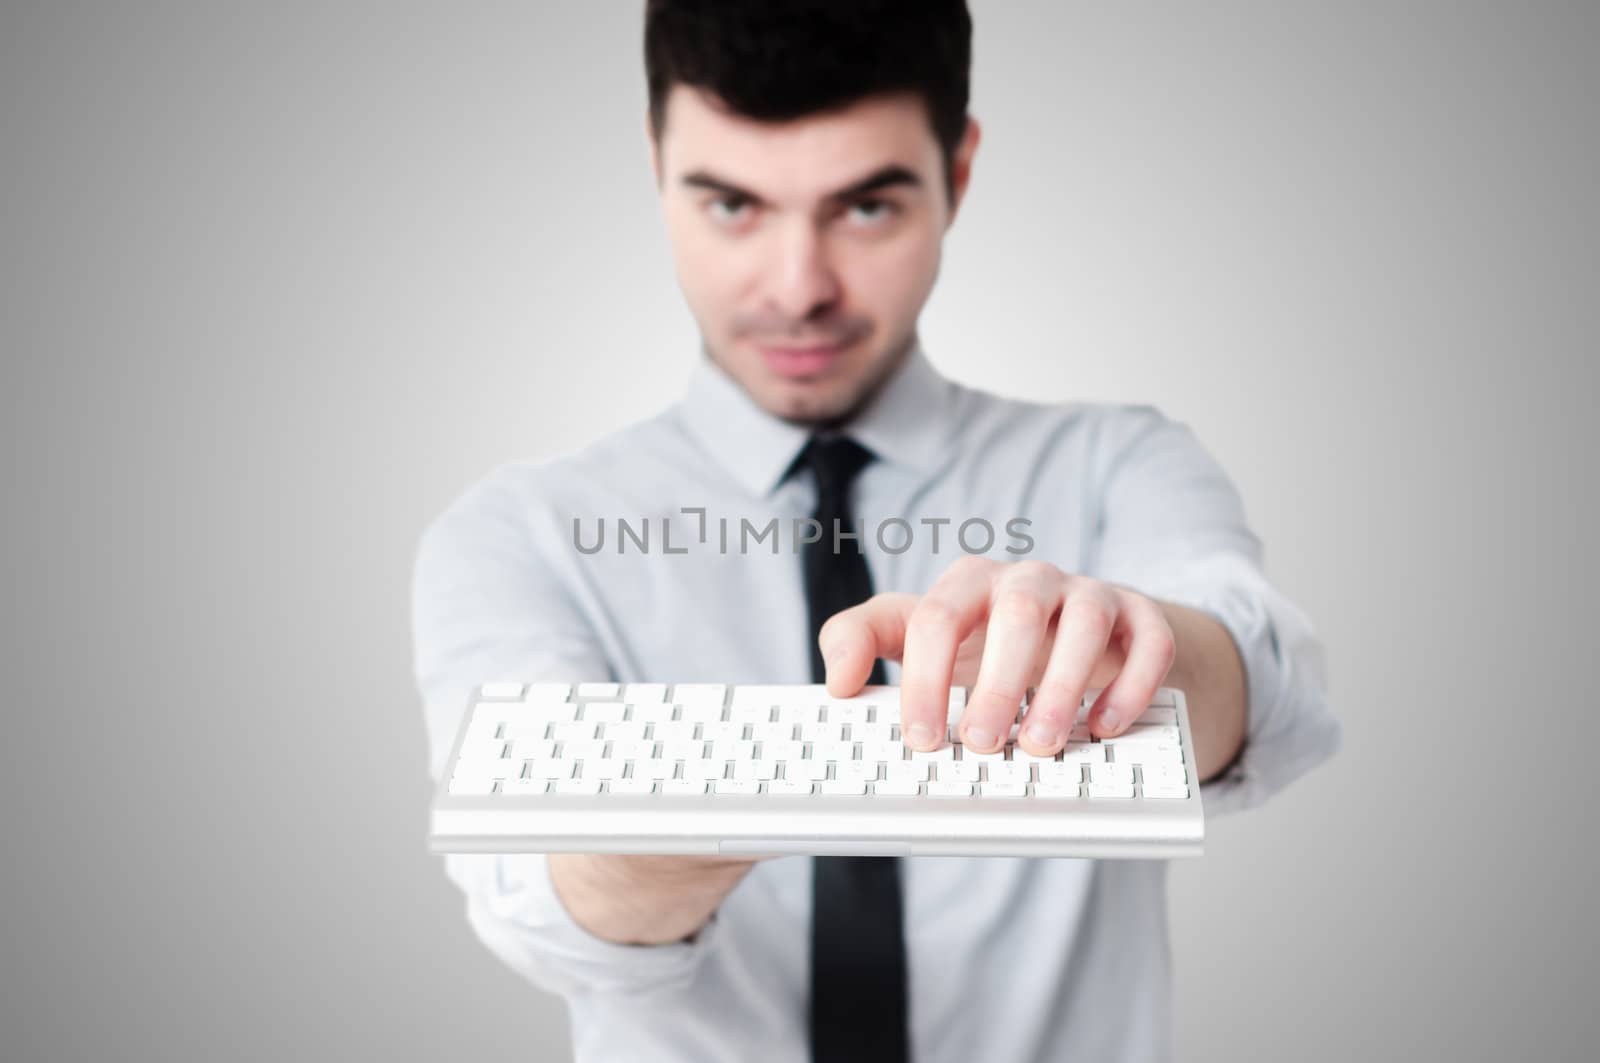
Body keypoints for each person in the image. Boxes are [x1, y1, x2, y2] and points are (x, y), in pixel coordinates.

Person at [410, 3, 1341, 1061]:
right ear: (655, 161)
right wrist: (740, 795)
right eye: (730, 203)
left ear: (960, 168)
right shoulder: (516, 537)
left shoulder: (1116, 466)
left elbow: (1266, 688)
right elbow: (541, 896)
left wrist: (1139, 657)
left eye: (865, 207)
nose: (798, 288)